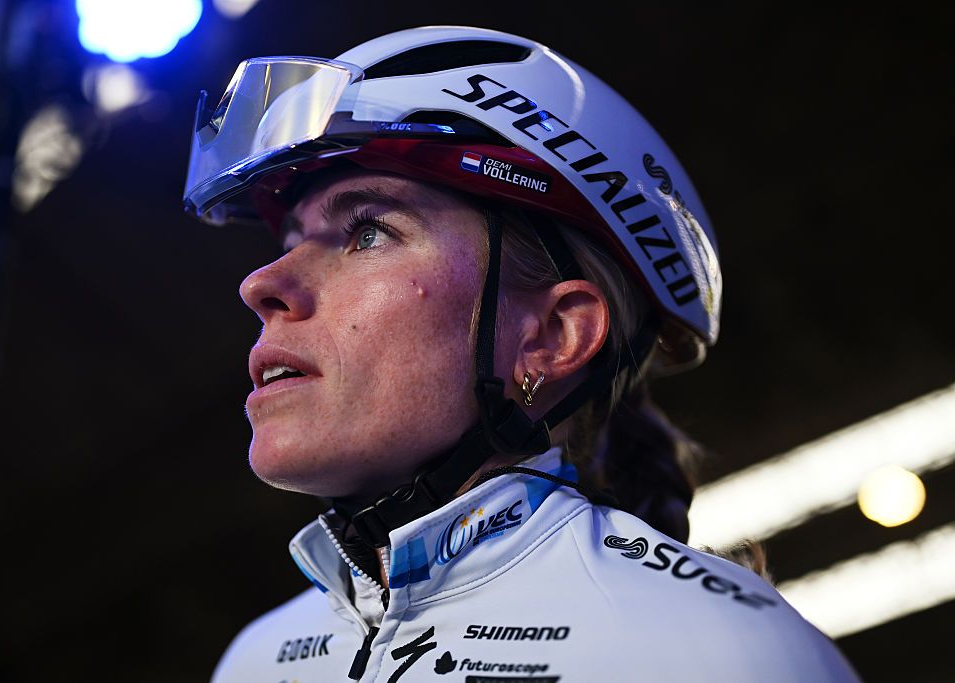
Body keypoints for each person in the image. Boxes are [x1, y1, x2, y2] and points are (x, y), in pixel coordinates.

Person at [184, 26, 861, 682]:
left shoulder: (722, 655)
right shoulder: (255, 661)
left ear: (553, 336)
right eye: (289, 241)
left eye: (368, 232)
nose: (260, 283)